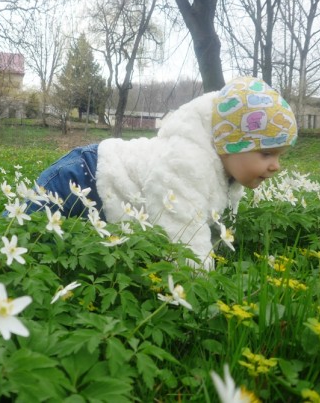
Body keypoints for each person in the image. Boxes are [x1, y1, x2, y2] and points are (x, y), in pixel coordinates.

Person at [26, 76, 298, 270]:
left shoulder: (228, 169)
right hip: (82, 174)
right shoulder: (187, 164)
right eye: (266, 153)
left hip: (98, 183)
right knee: (20, 229)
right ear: (230, 144)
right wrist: (202, 289)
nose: (276, 165)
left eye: (279, 156)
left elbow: (210, 224)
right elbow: (181, 233)